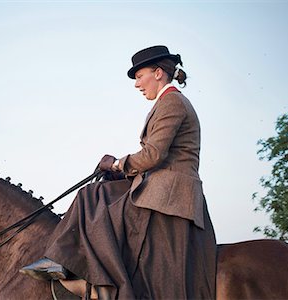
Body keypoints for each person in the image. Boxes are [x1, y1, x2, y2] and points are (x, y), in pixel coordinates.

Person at [20, 45, 217, 299]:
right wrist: (121, 173)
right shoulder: (167, 103)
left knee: (93, 199)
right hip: (158, 184)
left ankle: (96, 282)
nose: (137, 85)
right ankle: (76, 269)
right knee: (94, 195)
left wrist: (116, 165)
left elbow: (153, 155)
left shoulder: (172, 103)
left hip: (170, 192)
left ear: (158, 73)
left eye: (139, 77)